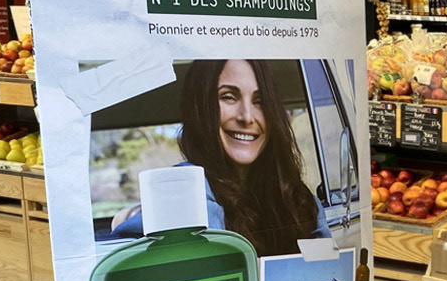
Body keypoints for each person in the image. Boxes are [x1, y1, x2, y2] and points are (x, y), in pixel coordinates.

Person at [112, 59, 330, 255]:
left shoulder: (299, 199)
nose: (247, 117)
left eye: (259, 101)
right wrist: (134, 214)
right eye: (229, 97)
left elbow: (326, 269)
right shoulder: (186, 186)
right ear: (200, 107)